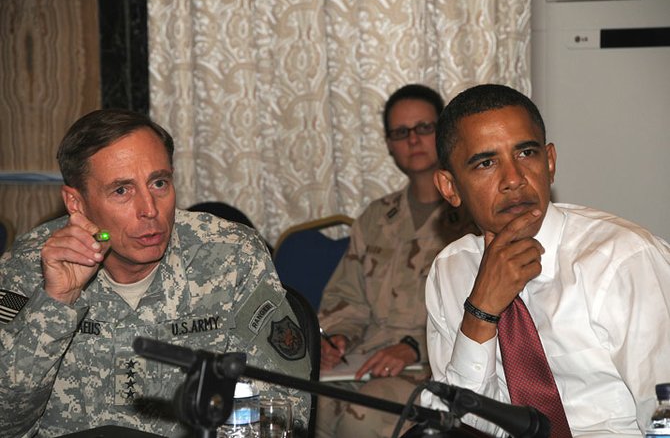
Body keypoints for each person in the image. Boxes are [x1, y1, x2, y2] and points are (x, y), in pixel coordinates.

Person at [0, 109, 311, 437]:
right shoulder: (29, 264)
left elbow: (286, 406)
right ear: (76, 203)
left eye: (159, 183)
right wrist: (55, 302)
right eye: (122, 191)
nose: (149, 209)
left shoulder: (229, 254)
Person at [422, 84, 670, 436]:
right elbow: (461, 424)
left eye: (525, 154)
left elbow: (666, 413)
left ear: (549, 162)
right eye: (486, 163)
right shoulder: (450, 271)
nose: (513, 179)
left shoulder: (624, 260)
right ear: (450, 188)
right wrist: (480, 310)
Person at [316, 84, 478, 437]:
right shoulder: (377, 217)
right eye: (401, 132)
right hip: (365, 359)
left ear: (446, 132)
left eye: (424, 128)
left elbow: (484, 310)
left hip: (433, 367)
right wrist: (338, 337)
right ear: (389, 144)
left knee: (363, 416)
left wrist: (411, 347)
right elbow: (348, 296)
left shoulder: (473, 217)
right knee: (312, 403)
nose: (413, 140)